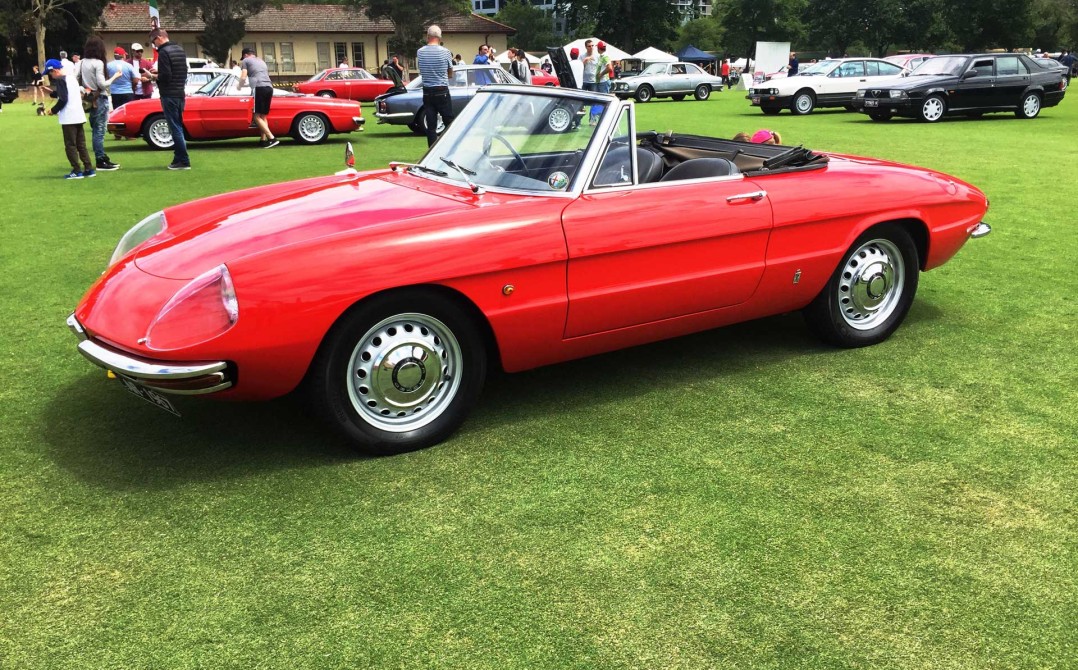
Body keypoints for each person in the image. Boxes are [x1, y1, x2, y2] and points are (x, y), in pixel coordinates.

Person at [146, 28, 190, 169]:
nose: (154, 45)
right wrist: (160, 72)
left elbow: (166, 77)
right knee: (178, 126)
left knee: (174, 127)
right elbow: (181, 71)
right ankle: (178, 158)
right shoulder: (179, 50)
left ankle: (183, 160)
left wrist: (153, 76)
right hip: (179, 92)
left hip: (168, 93)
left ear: (159, 38)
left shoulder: (163, 52)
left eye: (154, 42)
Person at [44, 59, 94, 179]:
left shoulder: (60, 80)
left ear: (54, 70)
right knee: (81, 144)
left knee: (70, 145)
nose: (51, 76)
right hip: (78, 115)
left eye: (50, 73)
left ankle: (76, 170)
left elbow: (63, 99)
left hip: (69, 118)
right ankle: (88, 168)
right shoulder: (71, 78)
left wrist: (53, 110)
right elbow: (67, 93)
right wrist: (51, 93)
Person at [78, 35, 122, 171]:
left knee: (95, 129)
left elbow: (75, 79)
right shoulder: (98, 63)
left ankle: (101, 157)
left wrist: (85, 91)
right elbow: (102, 85)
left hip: (89, 100)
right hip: (100, 99)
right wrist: (115, 76)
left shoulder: (81, 63)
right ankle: (100, 159)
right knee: (99, 131)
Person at [416, 24, 454, 147]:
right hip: (442, 90)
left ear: (428, 37)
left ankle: (432, 150)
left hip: (427, 91)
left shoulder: (420, 52)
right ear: (440, 37)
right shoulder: (446, 52)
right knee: (448, 121)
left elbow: (421, 70)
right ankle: (449, 147)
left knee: (431, 125)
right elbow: (450, 73)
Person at [237, 46, 278, 148]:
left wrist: (239, 85)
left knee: (256, 117)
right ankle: (263, 140)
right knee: (263, 116)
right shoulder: (261, 61)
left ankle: (272, 138)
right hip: (269, 87)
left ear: (245, 55)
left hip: (258, 87)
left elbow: (244, 75)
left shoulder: (246, 60)